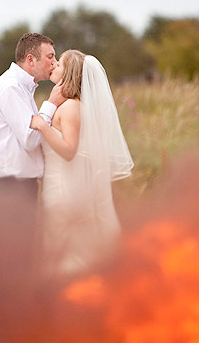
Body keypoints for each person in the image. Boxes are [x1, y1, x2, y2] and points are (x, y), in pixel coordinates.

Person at [30, 50, 134, 275]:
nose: (54, 66)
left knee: (65, 252)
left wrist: (42, 126)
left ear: (68, 74)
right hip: (61, 186)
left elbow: (68, 151)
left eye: (58, 64)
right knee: (64, 249)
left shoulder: (71, 108)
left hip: (63, 190)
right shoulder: (68, 105)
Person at [0, 33, 67, 202]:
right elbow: (30, 140)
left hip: (18, 186)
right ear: (31, 60)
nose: (54, 62)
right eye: (50, 56)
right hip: (9, 189)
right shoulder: (11, 88)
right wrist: (51, 103)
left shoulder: (23, 87)